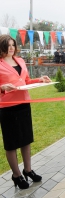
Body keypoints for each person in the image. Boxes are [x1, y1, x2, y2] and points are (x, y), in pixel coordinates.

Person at [0, 35, 51, 189]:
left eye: (13, 45)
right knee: (12, 143)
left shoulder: (20, 61)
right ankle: (16, 175)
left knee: (26, 139)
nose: (11, 48)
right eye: (8, 45)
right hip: (7, 107)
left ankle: (28, 170)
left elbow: (26, 81)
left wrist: (40, 79)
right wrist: (1, 88)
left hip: (24, 104)